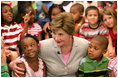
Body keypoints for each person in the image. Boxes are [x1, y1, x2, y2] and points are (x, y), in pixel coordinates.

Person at [9, 12, 89, 77]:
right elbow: (25, 54)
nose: (56, 38)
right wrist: (12, 64)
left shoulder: (84, 45)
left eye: (61, 34)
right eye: (54, 33)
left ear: (70, 33)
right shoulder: (43, 46)